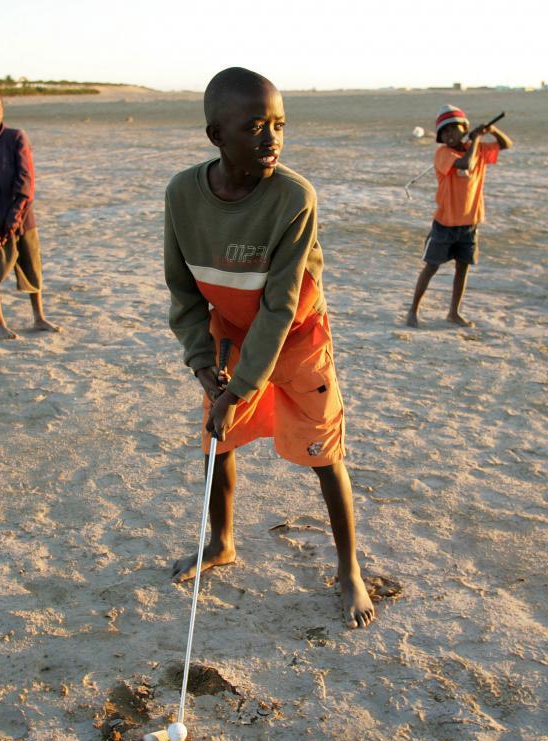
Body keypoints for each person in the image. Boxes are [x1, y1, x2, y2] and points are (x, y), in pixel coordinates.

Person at [164, 67, 374, 629]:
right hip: (229, 336)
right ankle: (221, 544)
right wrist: (204, 365)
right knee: (218, 442)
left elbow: (281, 307)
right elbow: (182, 290)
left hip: (298, 338)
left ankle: (349, 569)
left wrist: (243, 386)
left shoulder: (294, 197)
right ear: (216, 135)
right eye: (256, 125)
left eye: (279, 125)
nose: (271, 139)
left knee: (324, 455)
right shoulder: (183, 195)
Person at [0, 87, 60, 339]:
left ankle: (38, 317)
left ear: (2, 110)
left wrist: (14, 217)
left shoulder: (17, 138)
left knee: (31, 267)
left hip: (22, 220)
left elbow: (26, 182)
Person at [407, 104, 512, 328]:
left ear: (464, 129)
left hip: (470, 223)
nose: (449, 135)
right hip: (444, 223)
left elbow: (506, 144)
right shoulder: (443, 154)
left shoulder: (478, 149)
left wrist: (490, 131)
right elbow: (465, 163)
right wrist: (475, 141)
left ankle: (453, 312)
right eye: (444, 132)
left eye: (454, 130)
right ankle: (413, 310)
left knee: (462, 268)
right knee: (431, 267)